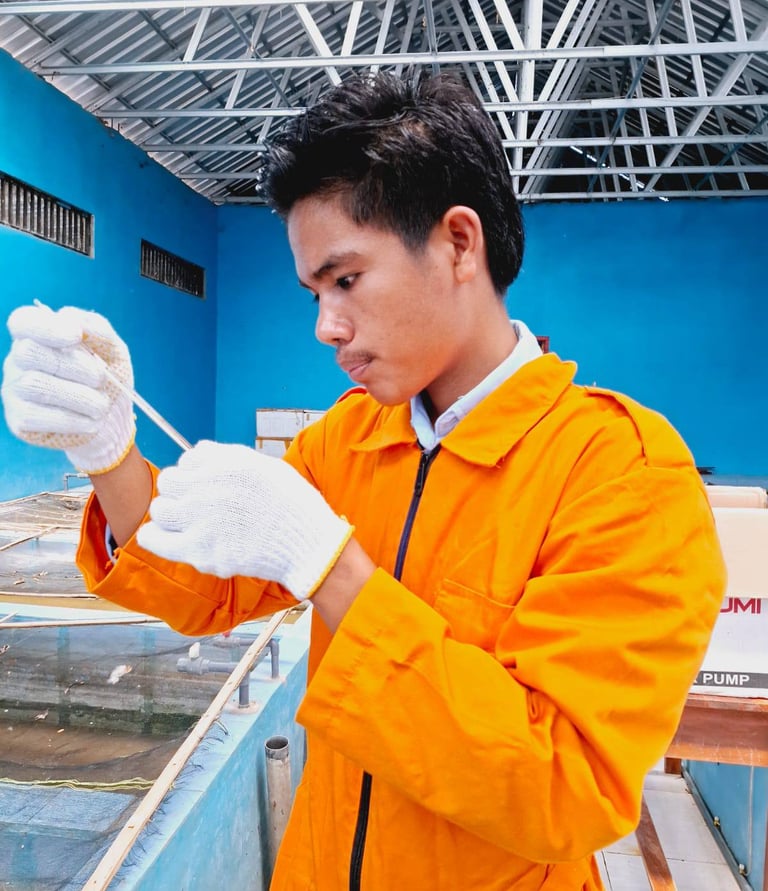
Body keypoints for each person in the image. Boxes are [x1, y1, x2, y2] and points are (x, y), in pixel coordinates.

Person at [1, 72, 726, 891]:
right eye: (314, 292)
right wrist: (108, 450)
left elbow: (565, 786)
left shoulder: (619, 474)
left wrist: (332, 567)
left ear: (459, 243)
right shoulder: (349, 437)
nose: (325, 326)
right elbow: (204, 588)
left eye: (345, 280)